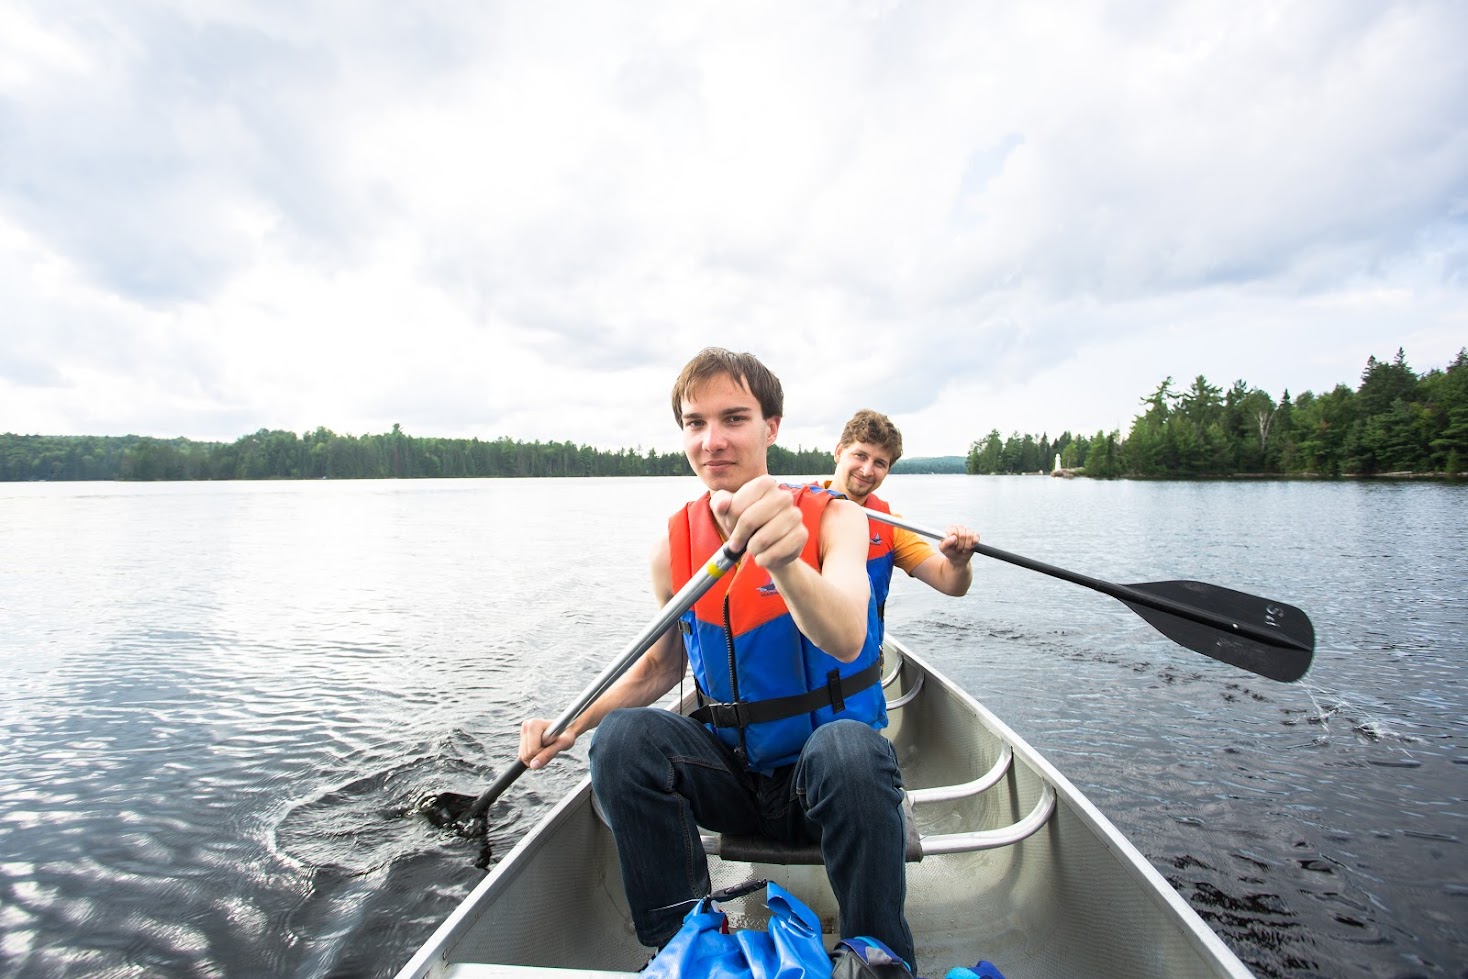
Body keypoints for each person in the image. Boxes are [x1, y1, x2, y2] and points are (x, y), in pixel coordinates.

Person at [517, 349, 915, 969]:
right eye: (694, 423)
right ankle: (685, 948)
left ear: (771, 427)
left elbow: (846, 639)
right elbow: (658, 671)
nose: (712, 441)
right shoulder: (671, 548)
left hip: (826, 786)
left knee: (849, 747)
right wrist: (572, 723)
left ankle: (875, 953)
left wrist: (785, 562)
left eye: (733, 418)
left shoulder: (837, 518)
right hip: (733, 776)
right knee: (622, 740)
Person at [825, 409, 978, 630]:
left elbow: (951, 584)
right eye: (860, 455)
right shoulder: (795, 508)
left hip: (861, 661)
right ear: (839, 452)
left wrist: (959, 562)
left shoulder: (892, 526)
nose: (867, 470)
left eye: (879, 463)